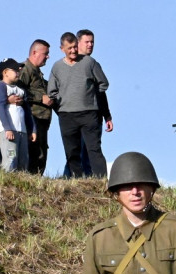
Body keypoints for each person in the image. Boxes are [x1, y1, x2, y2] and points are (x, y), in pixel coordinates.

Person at [48, 31, 109, 178]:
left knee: (94, 150)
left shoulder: (89, 62)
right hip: (67, 115)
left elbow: (103, 83)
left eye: (75, 47)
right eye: (70, 48)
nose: (73, 50)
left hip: (89, 114)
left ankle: (102, 180)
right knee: (72, 151)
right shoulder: (57, 67)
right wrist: (61, 104)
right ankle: (76, 181)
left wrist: (92, 97)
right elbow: (51, 91)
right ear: (62, 48)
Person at [65, 29, 112, 177]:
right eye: (87, 42)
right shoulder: (69, 65)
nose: (90, 45)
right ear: (77, 43)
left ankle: (93, 180)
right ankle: (71, 178)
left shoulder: (92, 64)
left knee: (92, 150)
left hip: (94, 115)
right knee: (75, 149)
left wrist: (107, 115)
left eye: (92, 42)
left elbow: (101, 90)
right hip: (74, 114)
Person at [18, 39, 53, 174]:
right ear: (34, 52)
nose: (48, 57)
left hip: (42, 121)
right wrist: (40, 98)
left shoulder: (38, 73)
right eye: (45, 53)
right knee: (34, 153)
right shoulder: (25, 69)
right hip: (32, 119)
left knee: (41, 153)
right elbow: (19, 91)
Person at [0, 58, 33, 171]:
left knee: (23, 159)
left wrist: (32, 129)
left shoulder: (20, 89)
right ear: (5, 72)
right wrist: (7, 128)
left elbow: (27, 110)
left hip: (22, 131)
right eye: (15, 70)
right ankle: (7, 181)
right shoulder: (0, 87)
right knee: (11, 157)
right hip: (8, 131)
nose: (18, 73)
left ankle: (22, 183)